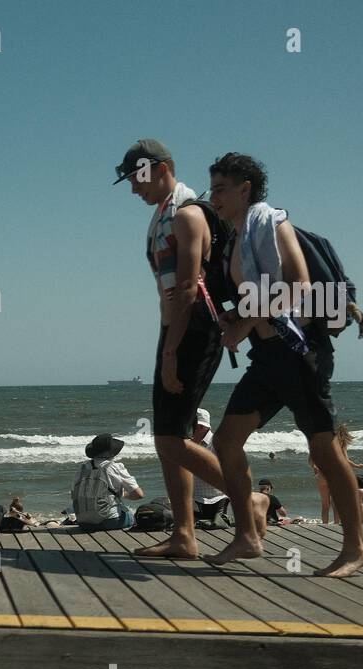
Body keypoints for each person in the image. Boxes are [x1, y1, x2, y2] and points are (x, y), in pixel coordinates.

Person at [202, 153, 363, 576]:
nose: (214, 197)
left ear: (245, 188)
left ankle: (356, 547)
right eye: (212, 188)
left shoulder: (271, 223)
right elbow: (254, 295)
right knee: (225, 442)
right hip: (268, 359)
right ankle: (247, 535)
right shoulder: (238, 237)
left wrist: (243, 326)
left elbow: (298, 282)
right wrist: (234, 319)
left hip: (301, 353)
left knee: (325, 449)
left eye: (221, 188)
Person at [114, 139, 235, 559]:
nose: (133, 188)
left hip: (193, 328)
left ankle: (249, 500)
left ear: (160, 168)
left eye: (136, 177)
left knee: (168, 439)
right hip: (179, 328)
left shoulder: (186, 213)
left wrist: (171, 351)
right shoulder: (166, 213)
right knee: (171, 434)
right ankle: (185, 533)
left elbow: (186, 287)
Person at [71, 434, 145, 531]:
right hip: (111, 521)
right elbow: (139, 495)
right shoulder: (114, 467)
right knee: (132, 515)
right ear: (111, 453)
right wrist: (122, 494)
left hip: (84, 523)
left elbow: (73, 494)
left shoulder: (83, 467)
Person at [311, 424, 363, 523]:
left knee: (325, 505)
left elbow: (313, 457)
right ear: (344, 433)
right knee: (336, 504)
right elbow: (346, 460)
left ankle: (325, 526)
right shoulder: (341, 443)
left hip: (322, 475)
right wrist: (357, 466)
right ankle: (336, 525)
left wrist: (315, 468)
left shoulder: (324, 442)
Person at [190, 409, 232, 526]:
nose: (188, 428)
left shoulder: (217, 443)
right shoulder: (189, 443)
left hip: (218, 499)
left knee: (218, 524)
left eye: (191, 425)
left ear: (201, 427)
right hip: (196, 499)